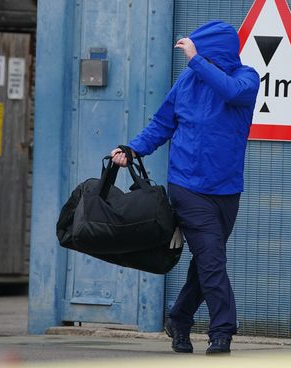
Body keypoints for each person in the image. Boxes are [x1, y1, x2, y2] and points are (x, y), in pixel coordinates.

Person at [111, 20, 259, 355]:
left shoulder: (246, 78)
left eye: (200, 51)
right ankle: (222, 331)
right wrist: (132, 149)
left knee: (209, 260)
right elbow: (162, 123)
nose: (194, 57)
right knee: (211, 259)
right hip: (187, 187)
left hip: (227, 189)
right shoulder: (187, 82)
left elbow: (232, 93)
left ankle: (179, 318)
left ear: (213, 51)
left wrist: (196, 60)